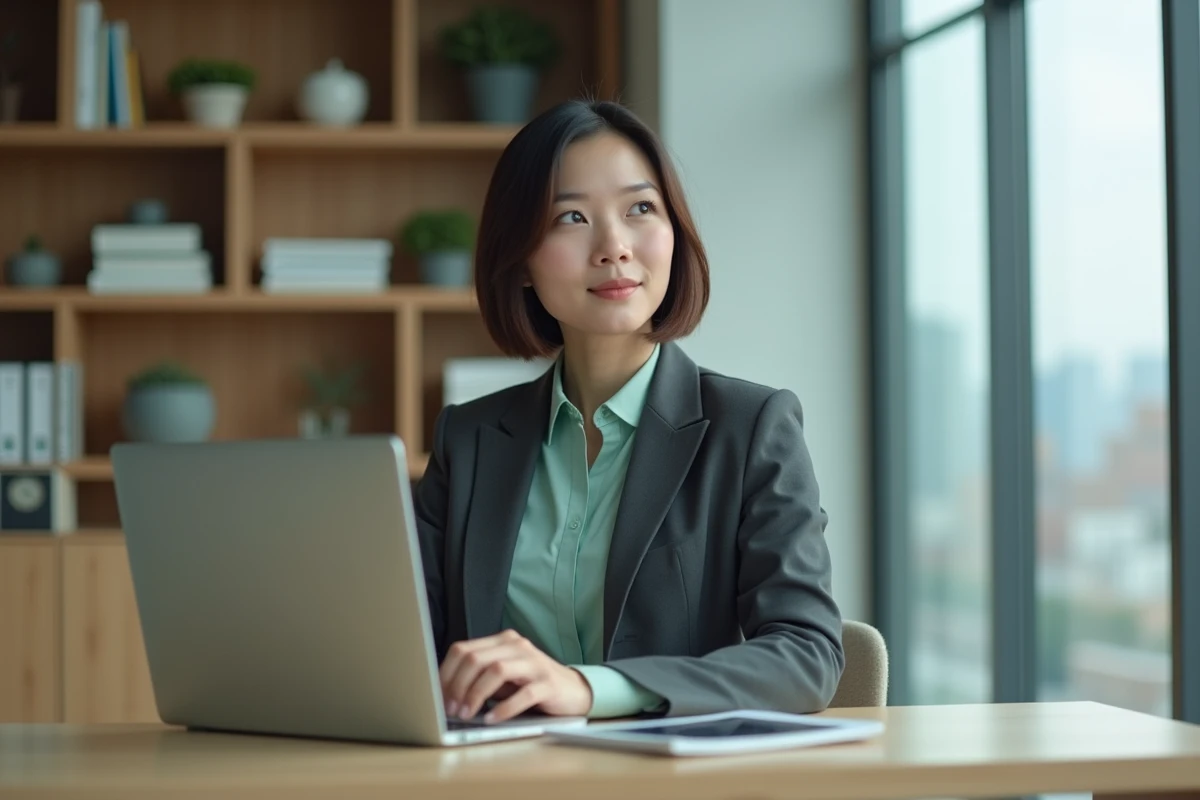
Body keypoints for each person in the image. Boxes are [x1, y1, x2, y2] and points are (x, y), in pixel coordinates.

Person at [413, 98, 844, 725]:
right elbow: (406, 648)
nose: (614, 247)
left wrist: (591, 690)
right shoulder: (470, 438)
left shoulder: (751, 428)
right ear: (523, 262)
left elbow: (807, 655)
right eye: (571, 217)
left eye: (640, 208)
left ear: (674, 231)